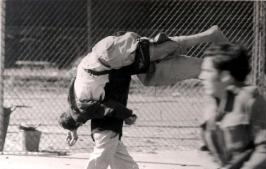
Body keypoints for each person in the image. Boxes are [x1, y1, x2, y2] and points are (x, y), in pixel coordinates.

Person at [44, 32, 168, 169]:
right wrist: (128, 114)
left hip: (109, 130)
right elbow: (104, 106)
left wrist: (73, 127)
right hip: (106, 130)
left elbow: (79, 100)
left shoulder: (85, 78)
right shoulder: (112, 70)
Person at [58, 25, 228, 138]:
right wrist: (73, 127)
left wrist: (127, 115)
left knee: (161, 49)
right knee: (150, 75)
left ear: (79, 119)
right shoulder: (74, 97)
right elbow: (76, 107)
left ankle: (211, 34)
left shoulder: (82, 107)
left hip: (111, 56)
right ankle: (204, 65)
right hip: (107, 57)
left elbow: (107, 107)